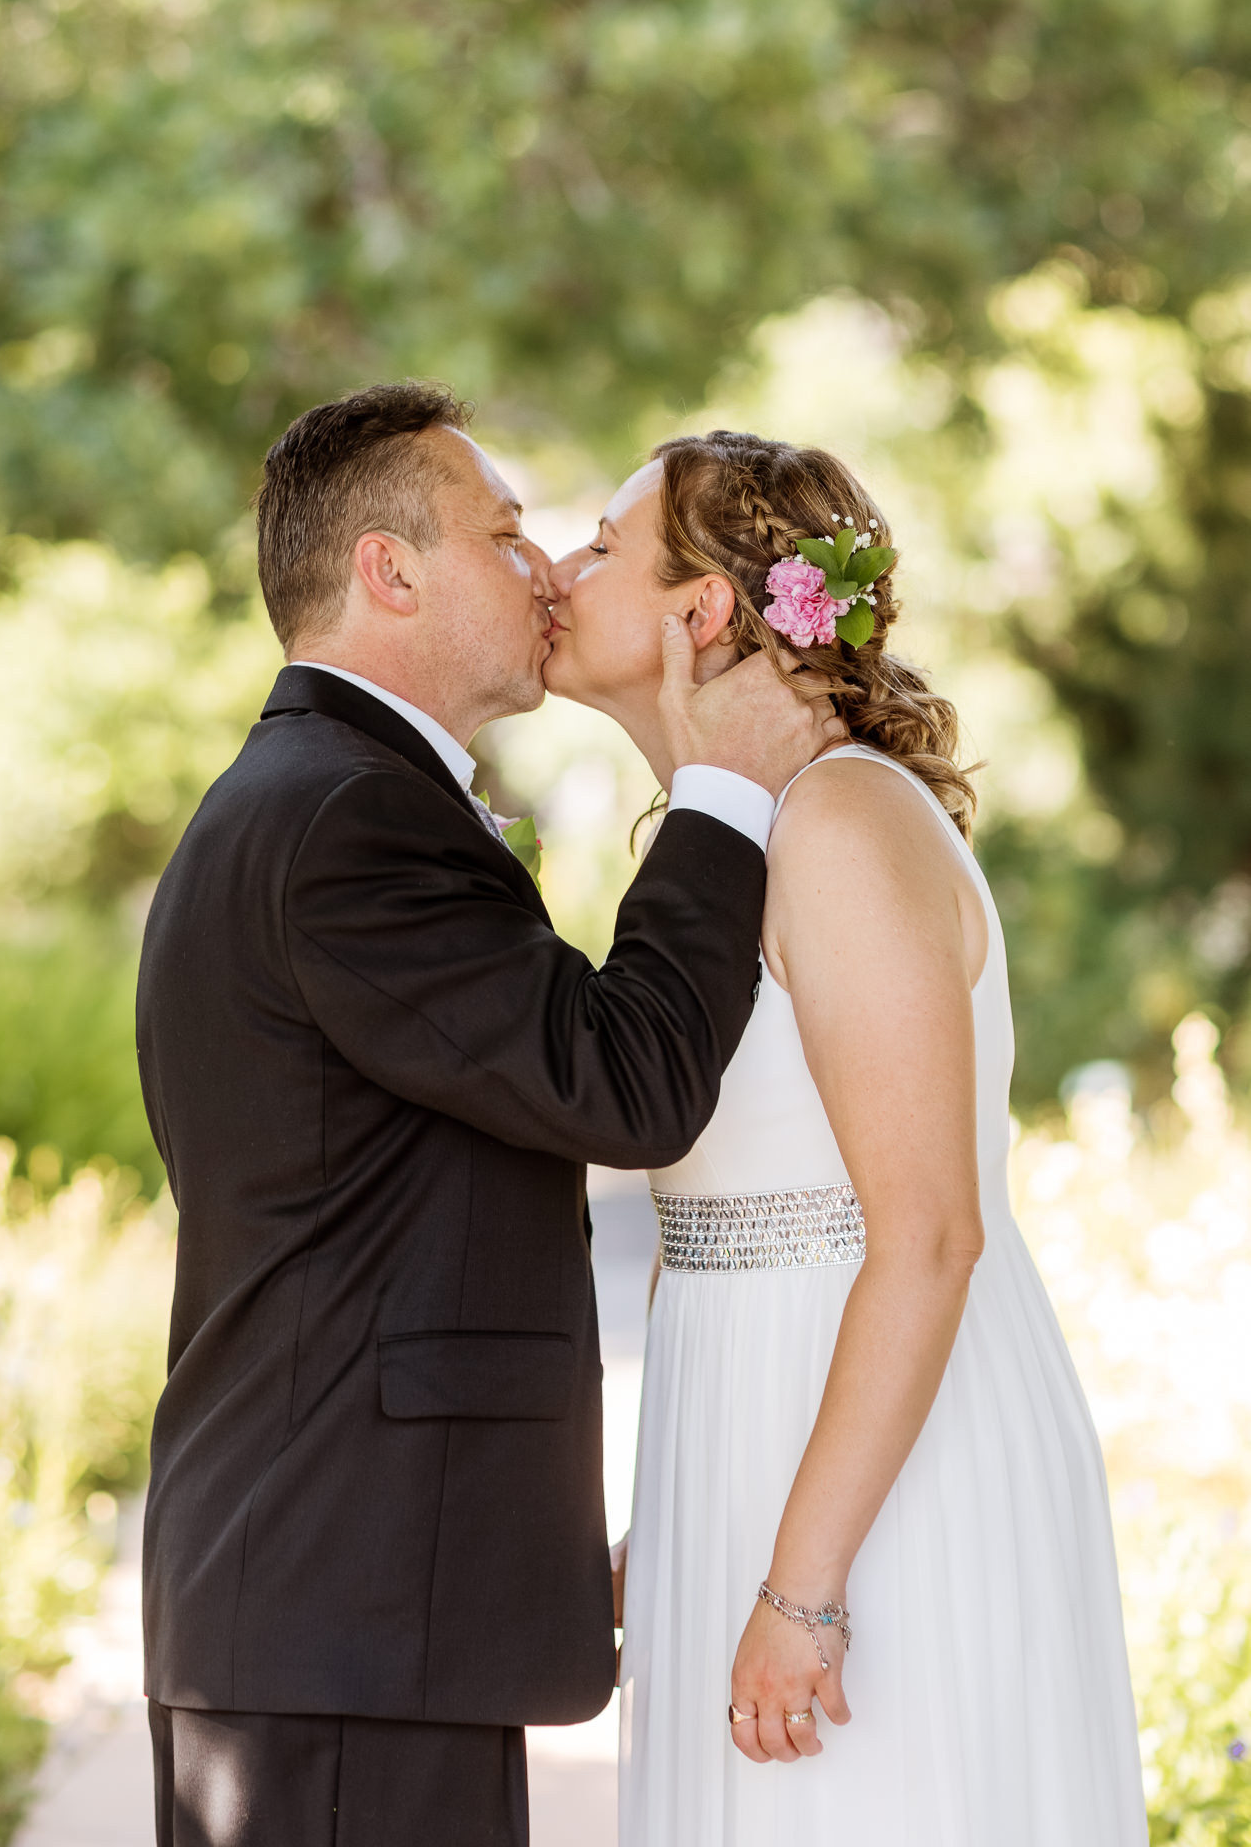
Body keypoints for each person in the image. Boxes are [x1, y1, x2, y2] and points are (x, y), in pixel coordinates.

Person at [134, 385, 839, 1847]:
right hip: (346, 1623)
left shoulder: (324, 796)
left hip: (360, 1616)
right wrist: (723, 792)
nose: (540, 571)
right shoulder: (349, 819)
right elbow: (622, 1081)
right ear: (389, 572)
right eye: (506, 533)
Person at [544, 428, 1148, 1847]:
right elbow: (710, 1197)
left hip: (892, 1481)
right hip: (756, 1441)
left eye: (598, 546)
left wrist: (802, 1587)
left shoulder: (840, 824)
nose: (559, 575)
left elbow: (931, 1232)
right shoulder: (728, 836)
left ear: (700, 612)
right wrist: (678, 1521)